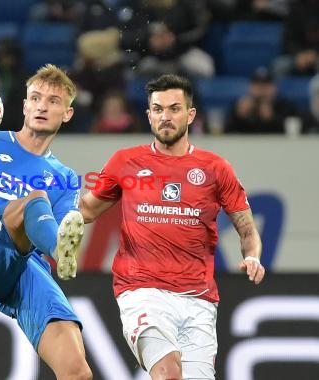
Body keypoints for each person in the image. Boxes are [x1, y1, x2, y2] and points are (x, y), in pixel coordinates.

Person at [79, 74, 266, 380]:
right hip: (141, 290)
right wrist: (40, 210)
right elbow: (86, 211)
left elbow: (246, 229)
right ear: (149, 114)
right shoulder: (126, 162)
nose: (165, 117)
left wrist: (253, 257)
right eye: (158, 109)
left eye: (174, 109)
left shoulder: (215, 168)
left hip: (199, 300)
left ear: (190, 114)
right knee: (168, 373)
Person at [0, 64, 92, 380]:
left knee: (77, 371)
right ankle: (61, 251)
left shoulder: (66, 178)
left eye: (54, 101)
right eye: (36, 98)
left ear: (67, 114)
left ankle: (58, 252)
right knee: (33, 199)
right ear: (25, 105)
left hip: (26, 267)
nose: (43, 105)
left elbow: (46, 225)